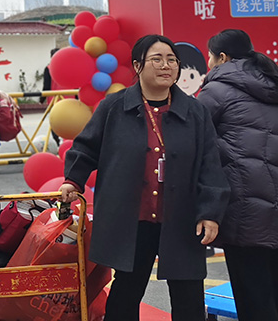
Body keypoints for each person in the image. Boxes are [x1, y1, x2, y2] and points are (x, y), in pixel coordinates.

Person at [60, 34, 230, 320]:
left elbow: (210, 164)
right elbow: (86, 147)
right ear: (138, 66)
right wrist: (72, 180)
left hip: (182, 217)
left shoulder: (195, 112)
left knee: (189, 294)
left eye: (172, 60)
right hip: (131, 218)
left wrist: (210, 212)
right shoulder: (114, 107)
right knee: (126, 293)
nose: (166, 66)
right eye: (157, 59)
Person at [196, 29, 278, 321]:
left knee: (253, 297)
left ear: (222, 57)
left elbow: (193, 137)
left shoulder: (216, 90)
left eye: (209, 56)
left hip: (245, 210)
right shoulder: (272, 83)